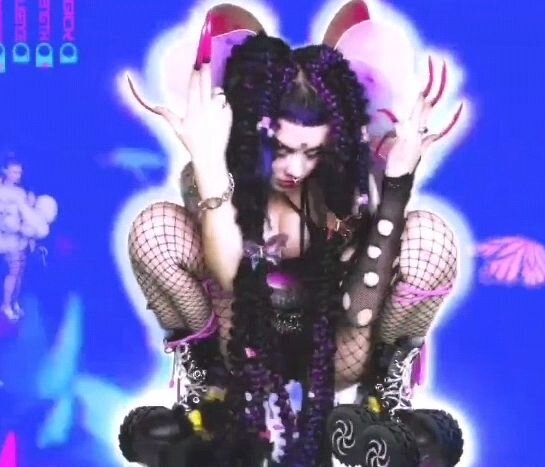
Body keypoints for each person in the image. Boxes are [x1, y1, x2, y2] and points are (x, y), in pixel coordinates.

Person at [118, 7, 464, 466]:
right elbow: (230, 277)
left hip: (339, 344)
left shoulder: (350, 187)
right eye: (281, 150)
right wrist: (208, 162)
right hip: (241, 336)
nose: (296, 169)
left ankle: (382, 397)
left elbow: (359, 312)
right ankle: (209, 388)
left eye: (312, 152)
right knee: (155, 227)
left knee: (430, 237)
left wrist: (398, 182)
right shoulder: (216, 171)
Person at [0, 155, 58, 321]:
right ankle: (6, 305)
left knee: (18, 272)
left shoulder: (21, 192)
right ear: (5, 171)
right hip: (6, 238)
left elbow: (28, 216)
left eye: (19, 173)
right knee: (12, 271)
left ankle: (13, 301)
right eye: (14, 172)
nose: (17, 176)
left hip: (20, 239)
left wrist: (31, 235)